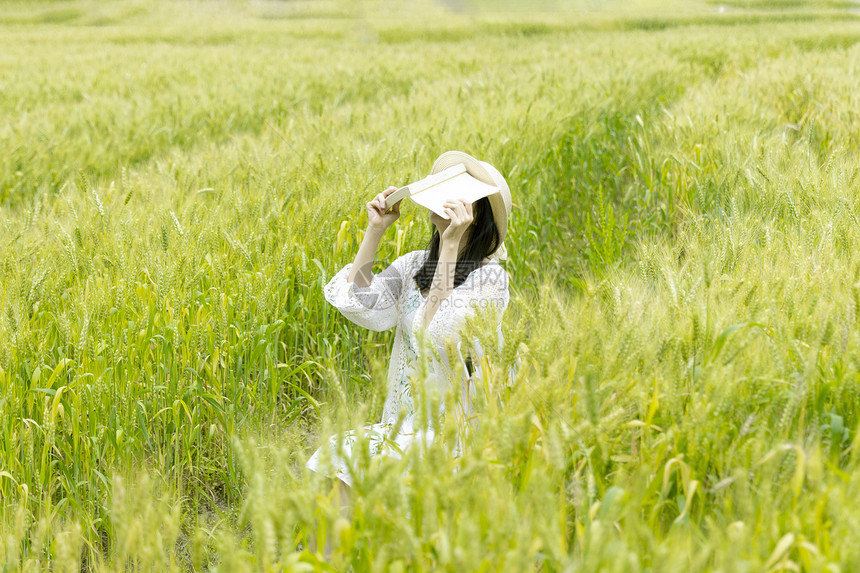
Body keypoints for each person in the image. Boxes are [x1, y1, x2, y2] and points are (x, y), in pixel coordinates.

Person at [306, 150, 512, 490]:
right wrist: (374, 231)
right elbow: (360, 303)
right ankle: (331, 547)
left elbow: (439, 332)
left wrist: (450, 245)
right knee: (331, 461)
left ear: (476, 214)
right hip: (402, 426)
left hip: (454, 437)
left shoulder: (490, 280)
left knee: (353, 468)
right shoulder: (415, 265)